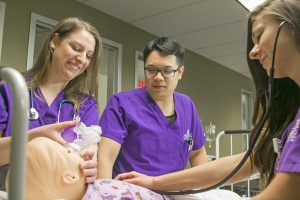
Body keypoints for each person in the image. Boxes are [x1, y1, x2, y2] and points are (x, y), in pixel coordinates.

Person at [114, 0, 300, 199]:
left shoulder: (186, 105)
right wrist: (154, 182)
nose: (253, 52)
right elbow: (244, 162)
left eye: (260, 35)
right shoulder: (291, 120)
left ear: (292, 25)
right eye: (152, 69)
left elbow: (286, 192)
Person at [84, 37, 208, 199]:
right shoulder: (122, 104)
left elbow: (197, 153)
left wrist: (206, 190)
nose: (158, 77)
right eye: (151, 69)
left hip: (175, 192)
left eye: (167, 71)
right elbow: (105, 157)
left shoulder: (187, 106)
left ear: (180, 72)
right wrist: (104, 194)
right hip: (132, 191)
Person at [0, 17, 102, 190]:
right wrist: (35, 137)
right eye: (76, 48)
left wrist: (91, 167)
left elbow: (89, 157)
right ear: (54, 41)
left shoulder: (86, 105)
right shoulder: (11, 90)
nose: (82, 59)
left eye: (88, 56)